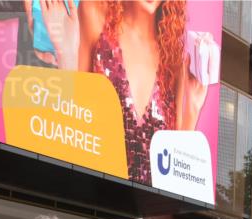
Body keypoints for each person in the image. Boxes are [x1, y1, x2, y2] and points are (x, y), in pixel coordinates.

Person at [88, 0, 213, 183]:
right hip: (95, 197)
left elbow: (174, 167)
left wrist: (193, 108)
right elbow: (76, 110)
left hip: (149, 207)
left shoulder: (172, 61)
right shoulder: (96, 16)